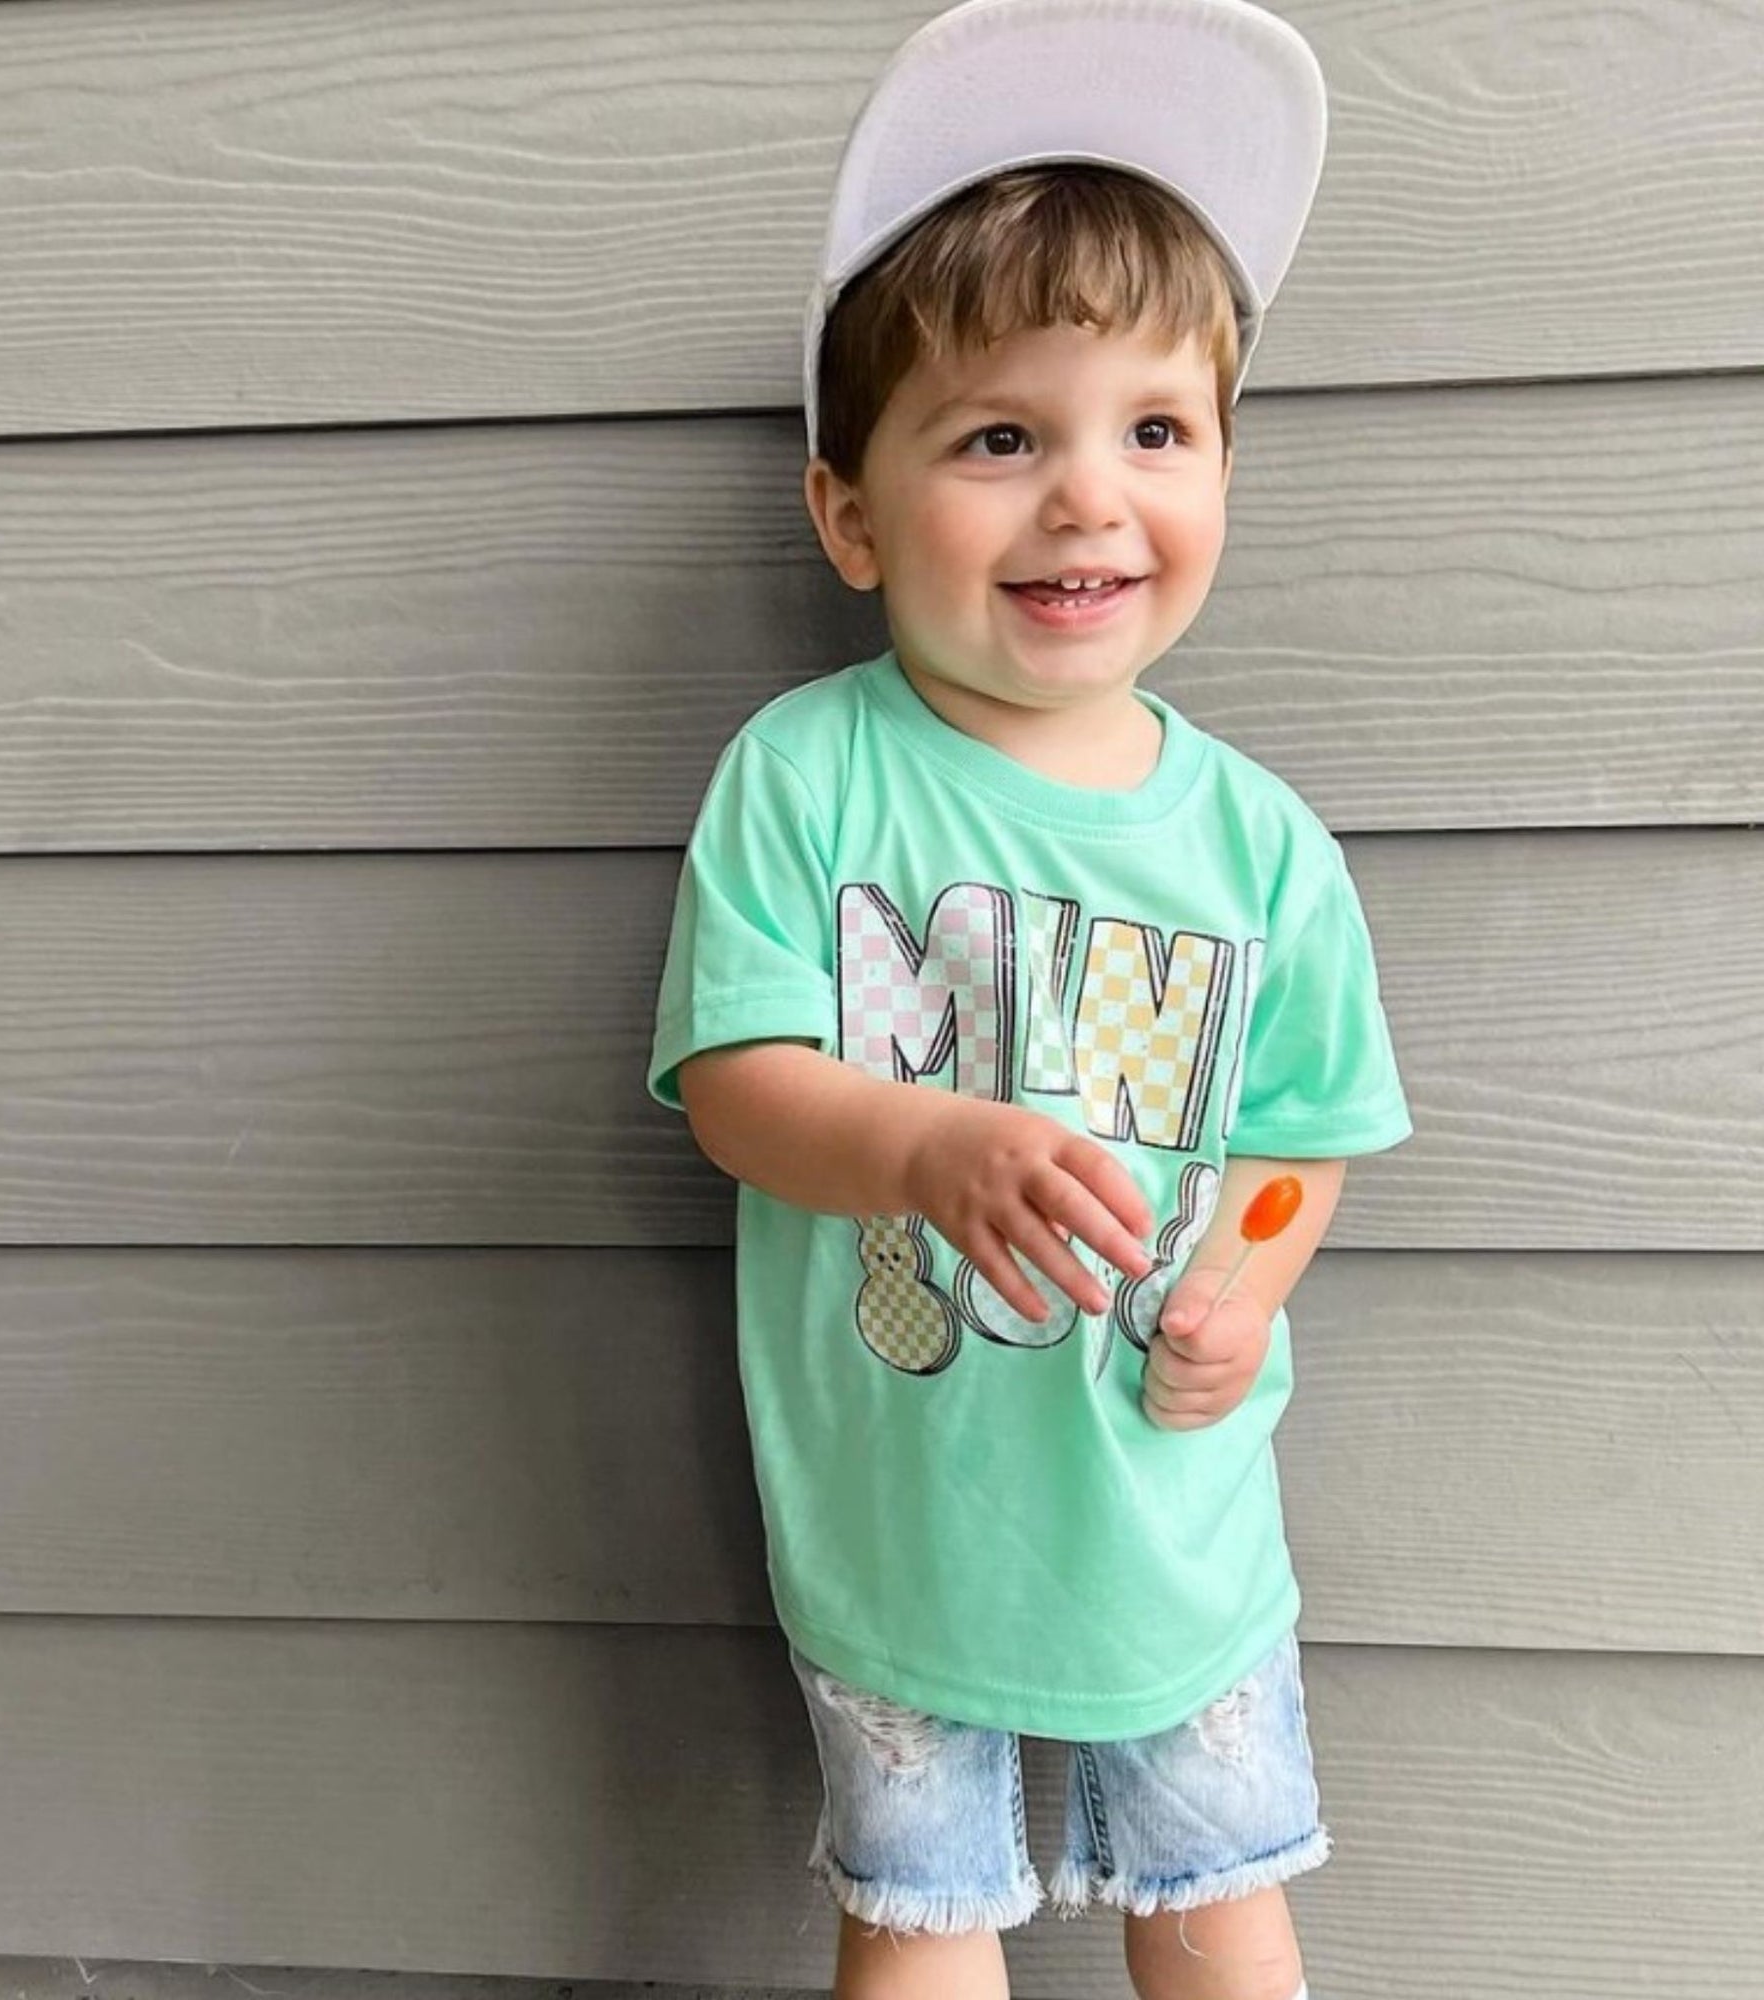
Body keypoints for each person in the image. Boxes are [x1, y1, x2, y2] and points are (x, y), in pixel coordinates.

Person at [646, 3, 1411, 1995]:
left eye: (1152, 431)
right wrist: (921, 1139)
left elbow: (1295, 1137)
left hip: (1174, 1519)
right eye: (1002, 435)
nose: (1087, 495)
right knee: (917, 1929)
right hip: (902, 1526)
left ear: (1221, 471)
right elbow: (733, 1083)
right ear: (849, 513)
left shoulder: (1261, 847)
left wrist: (1250, 1277)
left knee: (1221, 1900)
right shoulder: (809, 776)